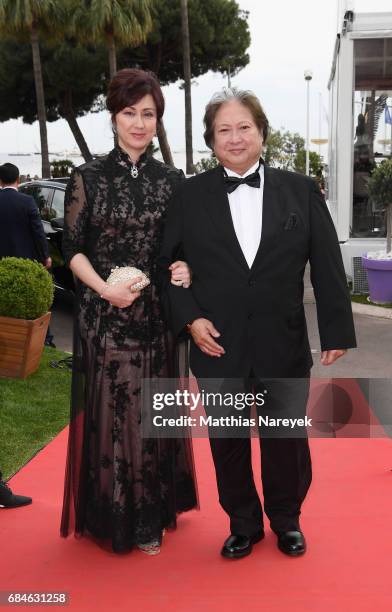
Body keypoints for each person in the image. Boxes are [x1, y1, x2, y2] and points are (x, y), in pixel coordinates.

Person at [159, 88, 356, 559]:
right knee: (227, 441)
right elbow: (165, 266)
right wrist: (190, 320)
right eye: (223, 129)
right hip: (217, 343)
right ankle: (243, 523)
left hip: (282, 342)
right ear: (210, 140)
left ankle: (287, 520)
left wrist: (336, 331)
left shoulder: (300, 189)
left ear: (262, 133)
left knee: (284, 439)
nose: (235, 137)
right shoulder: (188, 196)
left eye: (244, 127)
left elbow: (326, 263)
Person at [60, 69, 198, 555]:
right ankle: (112, 511)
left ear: (158, 120)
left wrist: (182, 266)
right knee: (117, 415)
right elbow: (72, 248)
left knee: (153, 415)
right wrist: (103, 290)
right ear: (113, 116)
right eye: (129, 113)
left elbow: (179, 249)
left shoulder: (171, 180)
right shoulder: (88, 177)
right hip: (106, 317)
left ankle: (150, 516)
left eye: (148, 114)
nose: (139, 123)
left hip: (158, 318)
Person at [0, 163, 51, 268]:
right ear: (18, 180)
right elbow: (38, 231)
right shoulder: (27, 201)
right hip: (24, 261)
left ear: (0, 181)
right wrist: (45, 255)